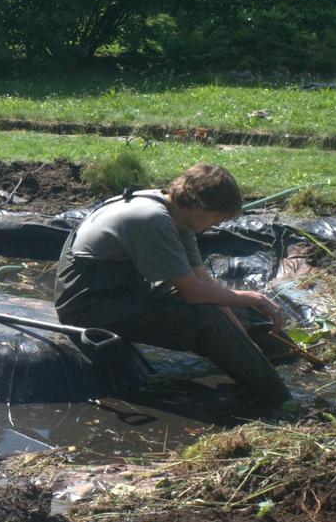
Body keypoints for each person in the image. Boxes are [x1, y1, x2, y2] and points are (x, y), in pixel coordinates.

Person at [54, 164, 291, 402]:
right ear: (199, 205)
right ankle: (277, 397)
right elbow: (193, 294)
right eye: (217, 217)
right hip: (89, 305)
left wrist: (245, 341)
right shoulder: (153, 219)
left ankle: (284, 357)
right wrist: (255, 297)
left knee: (237, 306)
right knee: (204, 320)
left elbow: (204, 283)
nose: (217, 224)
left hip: (123, 290)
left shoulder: (178, 217)